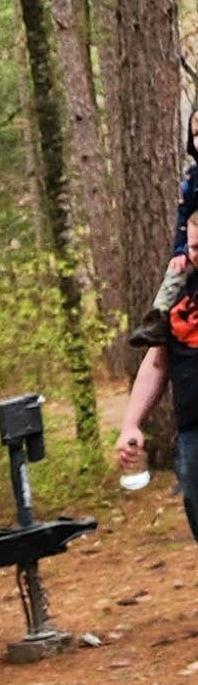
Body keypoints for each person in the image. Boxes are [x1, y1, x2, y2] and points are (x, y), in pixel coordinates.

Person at [114, 199, 198, 526]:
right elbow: (157, 362)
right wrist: (131, 424)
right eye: (194, 247)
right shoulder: (178, 294)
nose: (196, 255)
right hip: (192, 433)